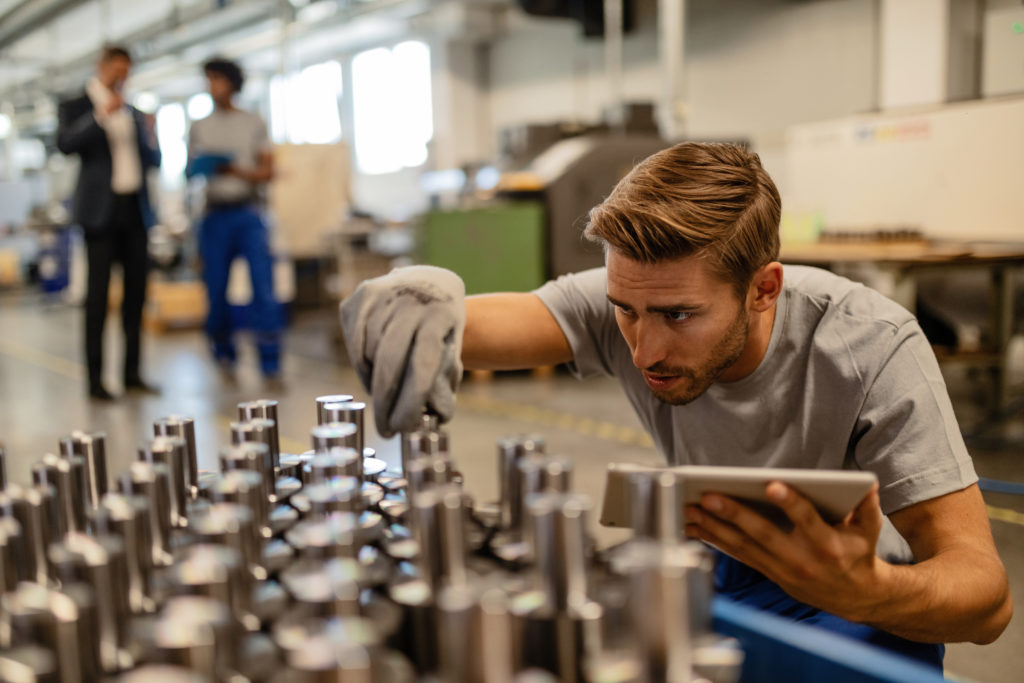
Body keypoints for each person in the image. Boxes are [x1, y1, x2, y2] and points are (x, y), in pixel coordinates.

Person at [340, 142, 1012, 668]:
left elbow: (985, 598)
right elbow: (479, 327)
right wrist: (421, 297)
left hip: (851, 580)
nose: (644, 348)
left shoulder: (871, 344)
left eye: (679, 314)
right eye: (624, 311)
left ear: (763, 288)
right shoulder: (635, 292)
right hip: (712, 559)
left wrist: (864, 590)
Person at [56, 44, 162, 401]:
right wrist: (101, 114)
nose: (122, 77)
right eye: (117, 70)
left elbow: (154, 161)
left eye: (126, 71)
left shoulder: (134, 111)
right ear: (102, 67)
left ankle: (132, 373)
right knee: (98, 300)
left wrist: (151, 132)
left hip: (134, 212)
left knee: (135, 297)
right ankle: (96, 381)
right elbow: (66, 144)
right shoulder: (78, 106)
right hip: (100, 215)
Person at [187, 57, 281, 379]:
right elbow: (191, 171)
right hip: (214, 217)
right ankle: (224, 354)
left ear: (233, 83)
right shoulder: (199, 126)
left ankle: (270, 361)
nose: (213, 87)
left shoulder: (254, 122)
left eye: (218, 79)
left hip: (248, 213)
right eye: (208, 80)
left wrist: (233, 169)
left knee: (263, 289)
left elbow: (268, 171)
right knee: (215, 291)